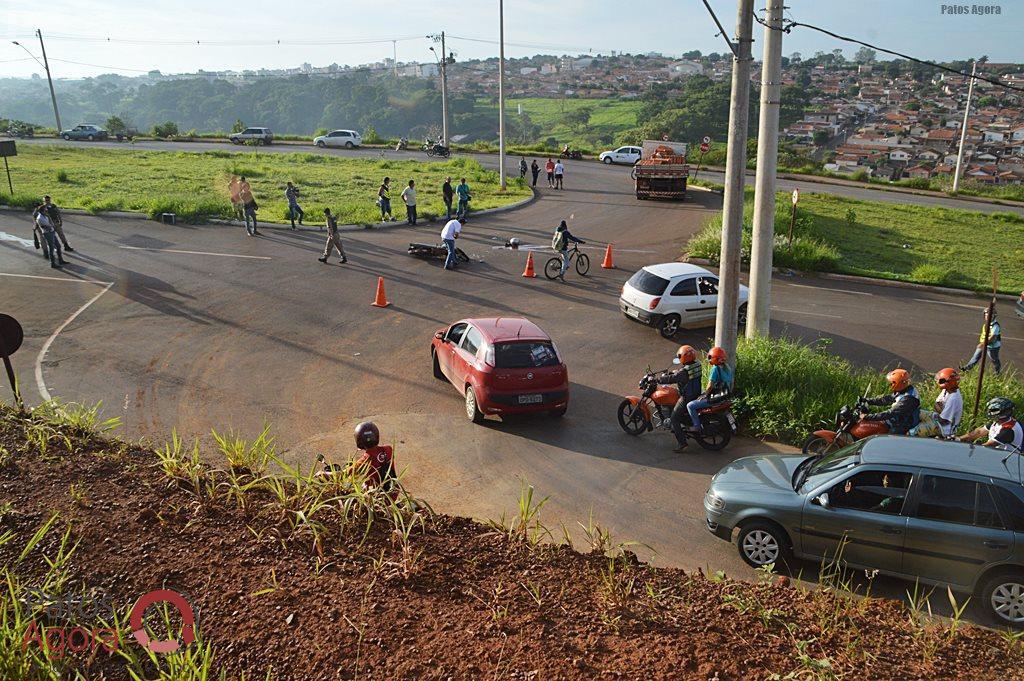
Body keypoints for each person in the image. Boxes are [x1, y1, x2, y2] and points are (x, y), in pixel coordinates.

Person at [658, 345, 703, 452]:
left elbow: (673, 378)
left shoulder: (684, 372)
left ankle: (682, 443)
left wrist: (658, 380)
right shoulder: (697, 364)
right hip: (696, 393)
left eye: (680, 356)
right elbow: (680, 375)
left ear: (684, 357)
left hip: (687, 397)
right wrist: (676, 373)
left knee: (674, 418)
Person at [686, 346, 733, 439]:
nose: (709, 359)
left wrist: (704, 395)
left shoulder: (715, 369)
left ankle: (697, 427)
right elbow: (731, 383)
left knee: (690, 405)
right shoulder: (727, 367)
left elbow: (710, 386)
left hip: (715, 397)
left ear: (716, 358)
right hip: (724, 395)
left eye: (711, 357)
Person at [860, 369, 920, 435]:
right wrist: (867, 400)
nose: (890, 384)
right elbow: (886, 399)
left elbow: (890, 413)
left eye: (892, 383)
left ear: (898, 383)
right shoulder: (903, 389)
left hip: (904, 424)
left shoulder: (908, 399)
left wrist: (868, 417)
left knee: (887, 438)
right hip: (898, 418)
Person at [347, 422, 397, 499]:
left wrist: (323, 474)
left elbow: (345, 474)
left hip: (378, 498)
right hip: (393, 491)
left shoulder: (365, 460)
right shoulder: (388, 449)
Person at [959, 397, 1023, 452]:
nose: (991, 413)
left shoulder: (1008, 429)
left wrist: (968, 449)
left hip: (1008, 460)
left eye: (994, 410)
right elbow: (979, 432)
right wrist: (959, 438)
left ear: (1004, 412)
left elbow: (990, 445)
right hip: (997, 456)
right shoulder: (997, 422)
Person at [962, 307, 1002, 374]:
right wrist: (982, 344)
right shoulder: (987, 324)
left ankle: (997, 372)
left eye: (989, 315)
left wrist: (982, 344)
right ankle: (967, 369)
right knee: (975, 356)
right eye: (986, 315)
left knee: (994, 360)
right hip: (984, 344)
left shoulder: (995, 326)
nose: (987, 317)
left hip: (992, 347)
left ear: (994, 316)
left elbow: (992, 338)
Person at [932, 368, 963, 438]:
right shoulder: (947, 390)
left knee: (915, 431)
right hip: (940, 424)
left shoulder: (953, 399)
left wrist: (929, 416)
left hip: (944, 431)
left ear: (949, 382)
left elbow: (942, 419)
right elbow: (937, 404)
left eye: (942, 381)